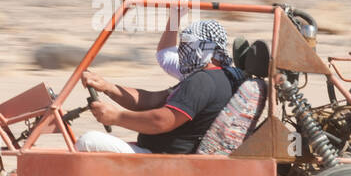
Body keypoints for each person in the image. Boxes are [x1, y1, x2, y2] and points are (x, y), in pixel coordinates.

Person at [76, 20, 243, 154]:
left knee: (88, 141)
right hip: (165, 154)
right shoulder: (217, 77)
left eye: (188, 43)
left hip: (165, 159)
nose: (183, 50)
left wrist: (116, 117)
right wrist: (107, 87)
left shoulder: (202, 81)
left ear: (207, 48)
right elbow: (152, 100)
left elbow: (161, 121)